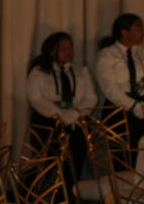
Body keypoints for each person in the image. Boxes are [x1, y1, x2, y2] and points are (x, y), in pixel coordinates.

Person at [25, 31, 97, 175]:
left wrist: (76, 113)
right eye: (63, 48)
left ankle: (69, 195)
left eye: (70, 47)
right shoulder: (39, 72)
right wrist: (60, 114)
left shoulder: (81, 71)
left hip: (76, 122)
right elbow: (36, 98)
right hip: (48, 124)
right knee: (47, 164)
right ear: (52, 51)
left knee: (74, 163)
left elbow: (91, 98)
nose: (68, 51)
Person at [95, 13, 144, 146]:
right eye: (138, 29)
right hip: (119, 110)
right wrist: (133, 105)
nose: (143, 32)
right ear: (124, 32)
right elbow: (109, 88)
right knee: (121, 155)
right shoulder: (107, 54)